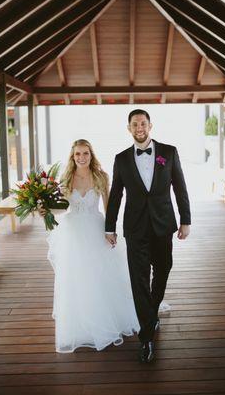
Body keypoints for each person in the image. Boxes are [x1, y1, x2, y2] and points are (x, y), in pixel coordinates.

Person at [105, 109, 191, 363]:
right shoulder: (121, 159)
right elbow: (116, 195)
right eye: (134, 124)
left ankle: (151, 314)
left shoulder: (169, 152)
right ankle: (146, 338)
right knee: (139, 279)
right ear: (129, 128)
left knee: (164, 268)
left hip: (164, 224)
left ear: (150, 125)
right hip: (135, 227)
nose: (139, 127)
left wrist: (185, 220)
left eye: (143, 123)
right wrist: (109, 227)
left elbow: (180, 188)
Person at [42, 139, 139, 353]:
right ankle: (80, 324)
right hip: (73, 232)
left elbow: (108, 207)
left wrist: (110, 231)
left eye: (85, 153)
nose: (81, 158)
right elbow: (61, 209)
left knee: (99, 275)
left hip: (95, 229)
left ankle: (104, 319)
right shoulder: (66, 179)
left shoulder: (101, 177)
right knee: (76, 278)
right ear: (72, 156)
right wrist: (46, 209)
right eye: (77, 154)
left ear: (91, 155)